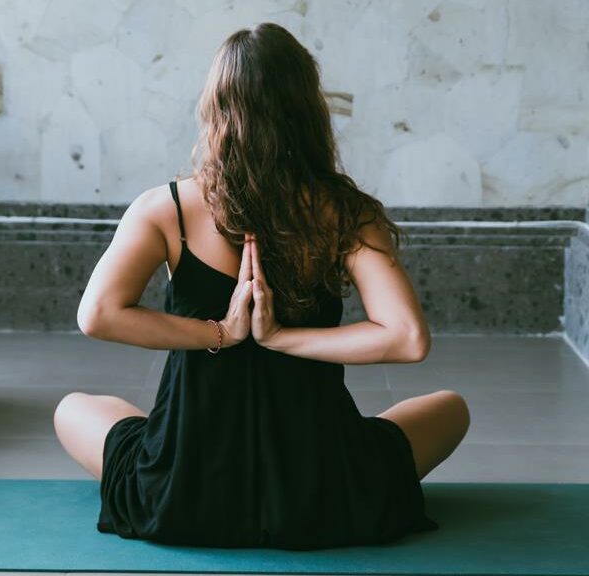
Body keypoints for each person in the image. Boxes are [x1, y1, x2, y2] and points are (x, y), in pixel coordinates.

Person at [53, 23, 470, 550]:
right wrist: (281, 337)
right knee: (451, 407)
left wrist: (222, 333)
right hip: (324, 492)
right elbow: (408, 339)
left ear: (216, 109)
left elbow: (97, 315)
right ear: (306, 111)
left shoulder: (166, 209)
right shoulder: (345, 213)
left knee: (73, 408)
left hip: (184, 491)